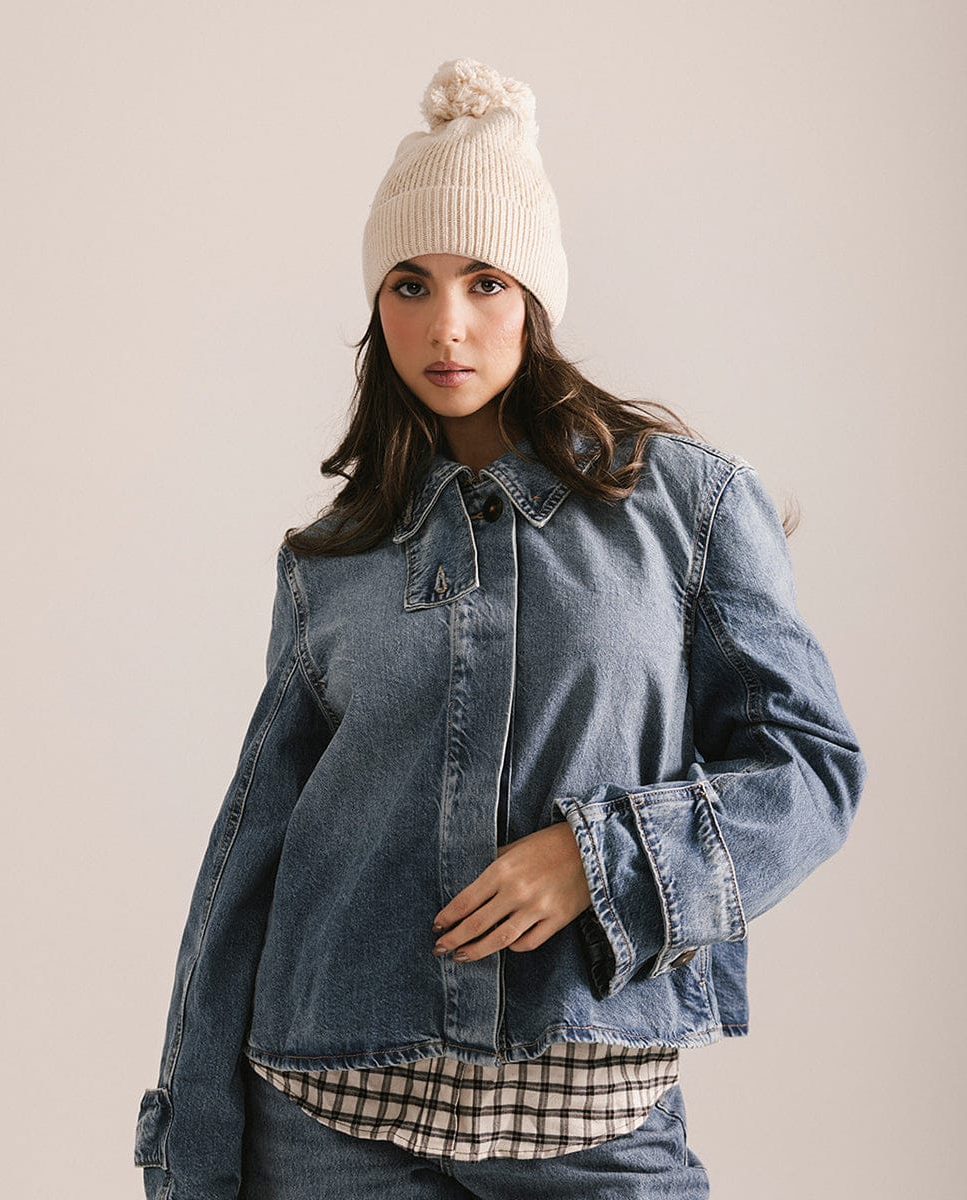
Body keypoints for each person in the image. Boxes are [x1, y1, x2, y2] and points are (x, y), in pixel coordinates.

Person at [134, 58, 867, 1199]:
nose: (448, 326)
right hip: (330, 1111)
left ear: (535, 295)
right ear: (376, 307)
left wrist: (601, 859)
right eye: (409, 286)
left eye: (485, 280)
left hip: (591, 1109)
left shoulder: (687, 506)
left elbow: (810, 772)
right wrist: (192, 1141)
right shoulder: (332, 556)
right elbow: (250, 853)